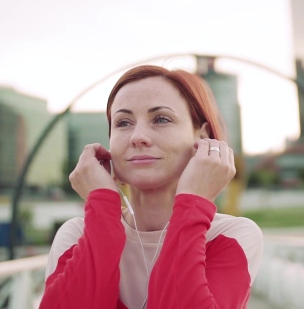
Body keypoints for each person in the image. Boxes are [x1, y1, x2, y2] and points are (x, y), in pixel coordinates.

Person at [39, 65, 263, 308]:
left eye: (161, 119)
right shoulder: (76, 235)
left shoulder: (231, 236)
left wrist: (193, 204)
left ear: (203, 137)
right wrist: (102, 208)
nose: (138, 136)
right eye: (123, 122)